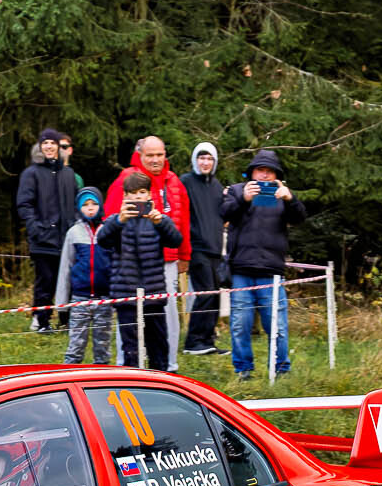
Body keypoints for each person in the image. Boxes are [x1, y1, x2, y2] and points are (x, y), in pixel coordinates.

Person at [222, 148, 308, 378]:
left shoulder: (282, 194)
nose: (264, 175)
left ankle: (281, 369)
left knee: (277, 325)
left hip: (272, 270)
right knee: (240, 324)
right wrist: (244, 199)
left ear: (276, 174)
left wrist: (290, 199)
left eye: (270, 171)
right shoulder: (236, 190)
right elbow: (223, 213)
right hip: (241, 269)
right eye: (260, 170)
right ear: (252, 172)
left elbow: (300, 218)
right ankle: (243, 370)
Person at [111, 136, 191, 370]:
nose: (155, 160)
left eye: (160, 155)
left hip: (165, 260)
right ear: (141, 155)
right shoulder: (126, 179)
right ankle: (125, 366)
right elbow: (109, 223)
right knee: (129, 318)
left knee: (166, 316)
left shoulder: (174, 181)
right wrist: (120, 220)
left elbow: (183, 220)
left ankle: (169, 366)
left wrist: (184, 254)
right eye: (150, 155)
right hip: (130, 263)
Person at [98, 171, 182, 371]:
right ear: (125, 196)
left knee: (158, 347)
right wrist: (119, 221)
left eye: (142, 192)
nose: (138, 197)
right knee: (131, 349)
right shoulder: (116, 220)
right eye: (133, 193)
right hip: (126, 294)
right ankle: (133, 384)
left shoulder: (158, 219)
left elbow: (176, 241)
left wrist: (161, 223)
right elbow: (102, 241)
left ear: (149, 195)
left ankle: (160, 383)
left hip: (153, 294)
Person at [15, 129, 70, 333]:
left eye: (52, 143)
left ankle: (65, 321)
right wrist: (35, 227)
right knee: (44, 282)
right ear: (40, 146)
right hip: (43, 239)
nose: (49, 146)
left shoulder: (67, 173)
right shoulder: (31, 173)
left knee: (65, 282)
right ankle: (41, 321)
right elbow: (24, 204)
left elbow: (73, 204)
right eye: (45, 143)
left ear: (58, 146)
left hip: (65, 238)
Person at [54, 187, 114, 365]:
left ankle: (102, 378)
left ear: (100, 205)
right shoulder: (73, 232)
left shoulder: (109, 230)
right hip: (80, 299)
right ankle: (68, 376)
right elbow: (65, 267)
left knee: (102, 348)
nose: (90, 208)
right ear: (79, 208)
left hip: (104, 299)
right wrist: (61, 303)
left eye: (94, 204)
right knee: (75, 347)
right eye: (85, 205)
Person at [180, 142, 226, 357]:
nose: (205, 162)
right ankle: (193, 341)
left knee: (215, 294)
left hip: (215, 248)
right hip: (197, 247)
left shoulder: (217, 186)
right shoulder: (186, 182)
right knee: (205, 292)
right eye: (202, 158)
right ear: (195, 160)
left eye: (209, 159)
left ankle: (208, 340)